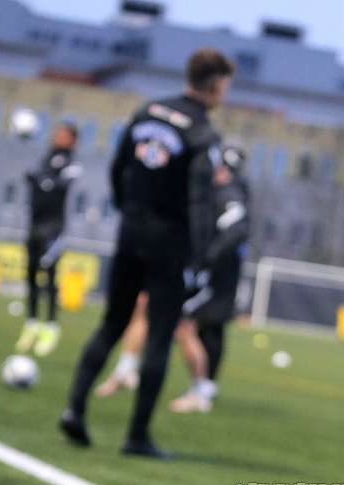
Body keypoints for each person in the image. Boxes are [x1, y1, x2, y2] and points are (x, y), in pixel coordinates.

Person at [60, 48, 234, 458]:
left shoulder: (147, 111)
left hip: (131, 235)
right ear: (216, 85)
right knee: (158, 338)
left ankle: (74, 409)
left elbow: (118, 168)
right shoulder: (203, 133)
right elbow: (200, 200)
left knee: (111, 324)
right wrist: (201, 253)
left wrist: (128, 210)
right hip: (169, 245)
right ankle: (136, 436)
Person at [170, 138, 250, 413]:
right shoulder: (227, 193)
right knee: (203, 325)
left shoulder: (229, 194)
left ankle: (201, 389)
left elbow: (235, 231)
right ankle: (203, 387)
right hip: (214, 272)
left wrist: (207, 259)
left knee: (187, 323)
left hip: (215, 275)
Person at [16, 124, 81, 357]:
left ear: (72, 140)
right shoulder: (45, 159)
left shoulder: (72, 163)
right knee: (31, 273)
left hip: (53, 228)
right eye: (56, 133)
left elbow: (55, 187)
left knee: (49, 274)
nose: (57, 138)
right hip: (34, 224)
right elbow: (33, 179)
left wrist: (40, 181)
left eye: (63, 135)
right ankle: (31, 322)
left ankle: (51, 327)